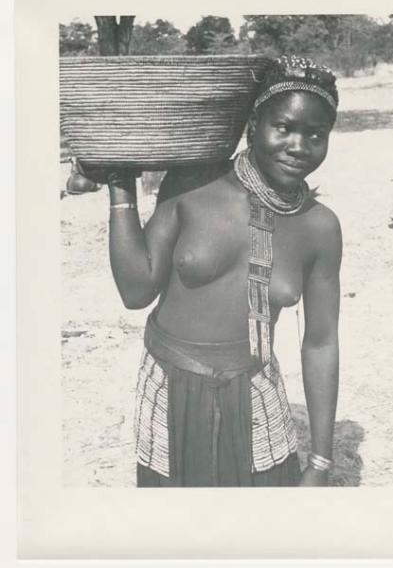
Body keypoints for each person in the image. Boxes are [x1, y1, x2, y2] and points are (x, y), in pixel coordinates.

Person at [101, 55, 342, 487]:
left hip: (257, 390)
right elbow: (136, 291)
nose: (298, 146)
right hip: (168, 385)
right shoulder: (192, 185)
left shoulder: (319, 227)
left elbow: (321, 342)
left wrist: (321, 461)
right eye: (283, 127)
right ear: (253, 125)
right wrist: (121, 190)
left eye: (315, 135)